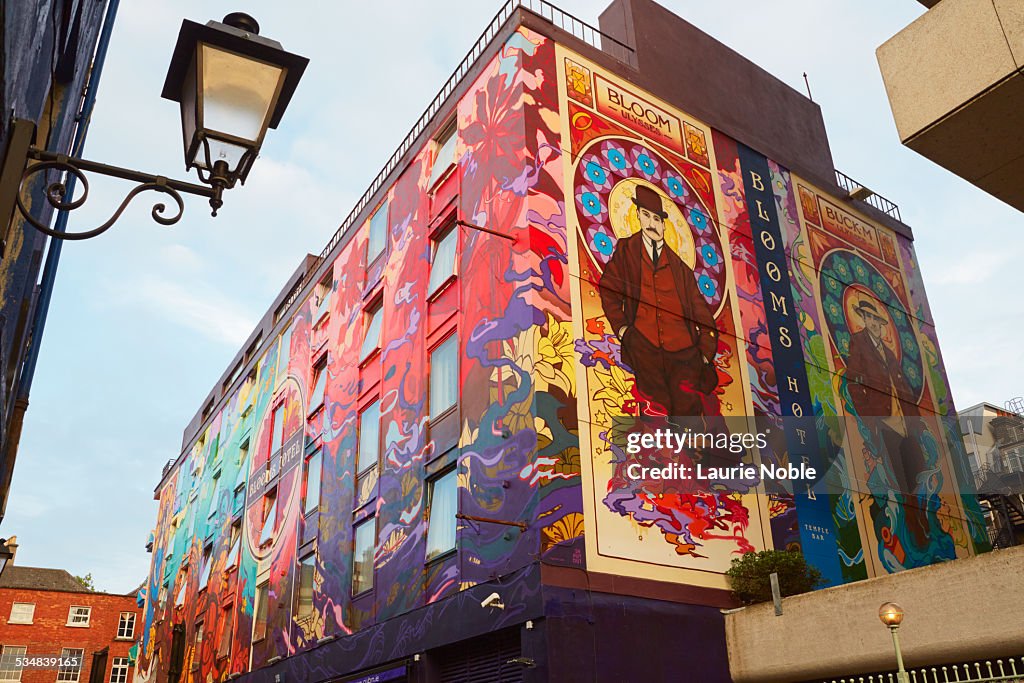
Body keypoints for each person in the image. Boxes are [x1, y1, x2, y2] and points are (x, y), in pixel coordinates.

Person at [599, 185, 718, 417]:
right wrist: (623, 330)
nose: (652, 223)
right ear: (638, 216)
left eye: (656, 218)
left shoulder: (680, 268)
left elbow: (700, 310)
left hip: (684, 355)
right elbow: (608, 289)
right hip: (644, 347)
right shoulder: (626, 250)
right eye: (646, 215)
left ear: (664, 224)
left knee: (688, 416)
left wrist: (703, 352)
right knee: (654, 413)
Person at [845, 298, 929, 547]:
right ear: (863, 320)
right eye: (868, 318)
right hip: (884, 422)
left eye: (877, 319)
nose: (873, 323)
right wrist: (869, 415)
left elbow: (902, 386)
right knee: (900, 480)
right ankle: (914, 525)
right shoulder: (859, 343)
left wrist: (917, 419)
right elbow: (852, 381)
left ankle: (922, 517)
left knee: (917, 474)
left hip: (904, 421)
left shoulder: (889, 352)